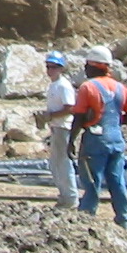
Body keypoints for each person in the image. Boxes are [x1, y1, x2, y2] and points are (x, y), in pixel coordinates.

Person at [69, 45, 127, 227]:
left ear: (94, 65)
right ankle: (125, 221)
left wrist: (71, 141)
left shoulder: (88, 88)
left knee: (92, 183)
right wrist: (115, 121)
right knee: (117, 182)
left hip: (95, 141)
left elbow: (78, 117)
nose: (85, 69)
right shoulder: (120, 87)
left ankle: (85, 220)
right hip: (116, 140)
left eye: (87, 65)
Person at [43, 51, 79, 209]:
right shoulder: (54, 85)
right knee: (56, 163)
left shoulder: (63, 86)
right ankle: (64, 195)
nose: (50, 70)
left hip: (63, 127)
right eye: (48, 67)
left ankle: (70, 198)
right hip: (57, 127)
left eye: (53, 67)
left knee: (63, 163)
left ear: (60, 68)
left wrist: (51, 116)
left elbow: (70, 108)